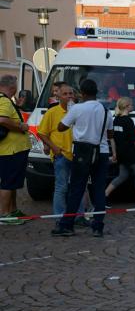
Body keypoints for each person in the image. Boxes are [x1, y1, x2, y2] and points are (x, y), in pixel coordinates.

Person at [51, 79, 114, 237]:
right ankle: (98, 226)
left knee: (76, 189)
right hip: (102, 152)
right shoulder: (105, 110)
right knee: (99, 190)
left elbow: (61, 127)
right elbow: (110, 133)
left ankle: (67, 224)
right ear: (96, 92)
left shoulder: (77, 108)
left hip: (82, 152)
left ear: (82, 93)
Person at [38, 83, 88, 225]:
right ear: (58, 96)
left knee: (78, 187)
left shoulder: (79, 110)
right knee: (62, 187)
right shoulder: (52, 112)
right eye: (65, 94)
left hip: (78, 154)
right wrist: (54, 148)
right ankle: (60, 218)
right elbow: (42, 132)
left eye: (71, 93)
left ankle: (79, 216)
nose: (69, 96)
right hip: (61, 155)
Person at [105, 97, 135, 206]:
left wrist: (115, 153)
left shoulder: (116, 120)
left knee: (122, 175)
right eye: (132, 104)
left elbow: (114, 138)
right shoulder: (128, 121)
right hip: (130, 153)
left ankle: (104, 195)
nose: (133, 106)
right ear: (127, 107)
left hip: (121, 153)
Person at [0, 75, 32, 224]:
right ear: (12, 87)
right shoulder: (4, 100)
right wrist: (21, 126)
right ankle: (5, 215)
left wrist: (17, 107)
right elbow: (2, 119)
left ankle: (13, 210)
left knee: (12, 182)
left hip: (12, 149)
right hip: (11, 150)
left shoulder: (6, 101)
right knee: (8, 182)